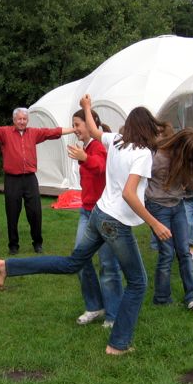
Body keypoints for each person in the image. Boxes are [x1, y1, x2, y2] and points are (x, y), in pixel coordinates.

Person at [0, 95, 171, 356]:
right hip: (115, 223)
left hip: (98, 214)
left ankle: (8, 266)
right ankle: (118, 344)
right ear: (148, 128)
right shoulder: (142, 153)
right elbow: (129, 194)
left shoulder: (117, 141)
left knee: (72, 263)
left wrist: (87, 107)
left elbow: (96, 132)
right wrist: (155, 224)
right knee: (138, 282)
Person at [0, 109, 74, 255]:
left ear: (27, 120)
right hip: (12, 179)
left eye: (24, 119)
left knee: (35, 212)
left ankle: (37, 243)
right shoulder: (4, 132)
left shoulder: (34, 133)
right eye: (19, 119)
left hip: (30, 179)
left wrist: (74, 129)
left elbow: (53, 132)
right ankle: (13, 245)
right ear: (14, 120)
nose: (22, 121)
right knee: (12, 213)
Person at [146, 128, 193, 310]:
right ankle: (162, 298)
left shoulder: (182, 157)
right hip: (158, 208)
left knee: (184, 252)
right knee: (167, 253)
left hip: (177, 206)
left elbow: (183, 177)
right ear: (179, 146)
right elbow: (139, 178)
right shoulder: (156, 157)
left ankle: (192, 296)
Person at [66, 108, 123, 328]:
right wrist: (83, 156)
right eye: (73, 125)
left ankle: (114, 314)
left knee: (108, 265)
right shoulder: (87, 147)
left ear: (91, 125)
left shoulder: (99, 146)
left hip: (105, 214)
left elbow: (100, 167)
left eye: (77, 124)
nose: (75, 129)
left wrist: (85, 158)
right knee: (80, 259)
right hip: (87, 212)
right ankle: (94, 306)